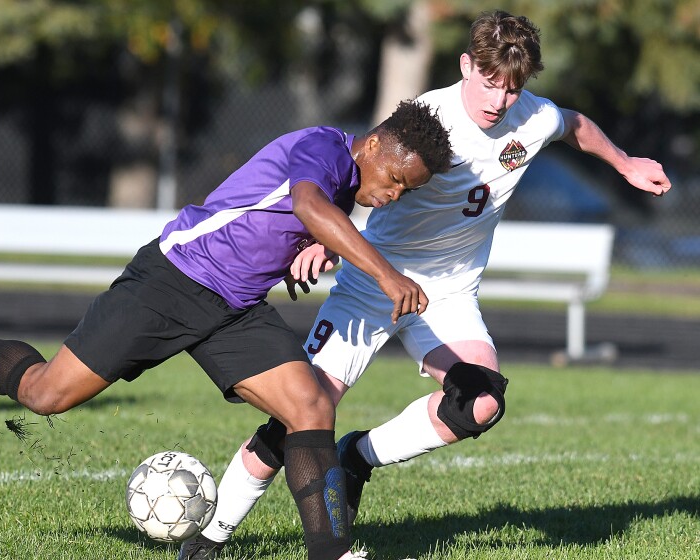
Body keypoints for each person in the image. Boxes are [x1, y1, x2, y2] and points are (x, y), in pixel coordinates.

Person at [179, 9, 672, 559]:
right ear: (465, 64)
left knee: (479, 402)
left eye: (511, 89)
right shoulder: (427, 123)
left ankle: (356, 459)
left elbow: (574, 124)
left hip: (449, 295)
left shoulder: (532, 117)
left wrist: (625, 162)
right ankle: (211, 535)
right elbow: (361, 169)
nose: (497, 100)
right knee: (300, 412)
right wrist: (321, 239)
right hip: (373, 284)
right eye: (488, 83)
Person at [0, 100, 453, 560]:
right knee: (44, 395)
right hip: (173, 281)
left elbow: (286, 218)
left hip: (233, 308)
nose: (394, 194)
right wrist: (384, 272)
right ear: (374, 144)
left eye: (407, 191)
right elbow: (305, 203)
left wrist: (312, 250)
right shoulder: (324, 147)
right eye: (397, 180)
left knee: (310, 407)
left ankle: (331, 555)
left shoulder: (343, 187)